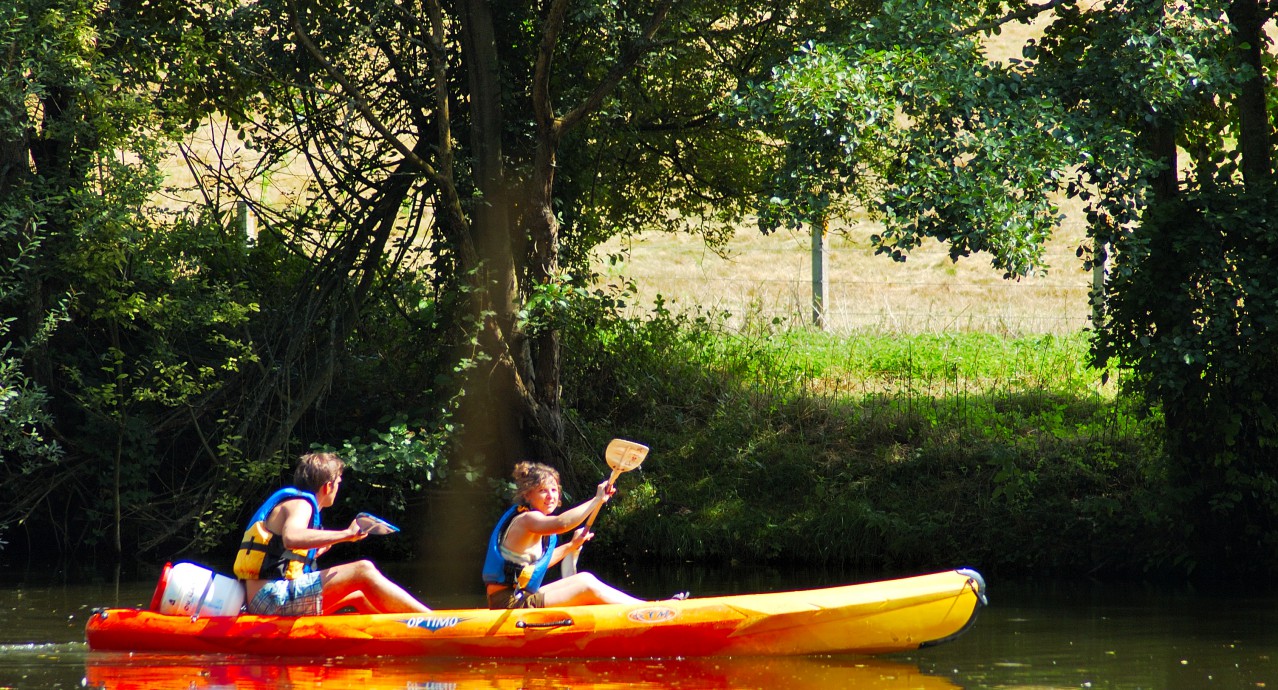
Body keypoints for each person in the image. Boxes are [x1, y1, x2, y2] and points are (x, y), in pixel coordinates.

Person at [233, 452, 431, 615]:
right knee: (363, 570)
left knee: (359, 596)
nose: (337, 488)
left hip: (261, 599)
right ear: (328, 486)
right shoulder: (301, 504)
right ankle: (433, 621)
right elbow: (291, 538)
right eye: (338, 483)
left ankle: (399, 633)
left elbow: (284, 554)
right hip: (271, 598)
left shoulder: (294, 504)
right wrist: (347, 534)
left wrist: (317, 550)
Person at [482, 461, 686, 608]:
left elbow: (538, 565)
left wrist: (571, 546)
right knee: (586, 585)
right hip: (508, 601)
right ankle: (652, 609)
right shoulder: (528, 519)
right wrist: (596, 500)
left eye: (554, 490)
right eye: (543, 491)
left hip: (521, 594)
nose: (551, 496)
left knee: (584, 577)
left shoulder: (538, 526)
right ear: (528, 494)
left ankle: (649, 606)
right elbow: (563, 523)